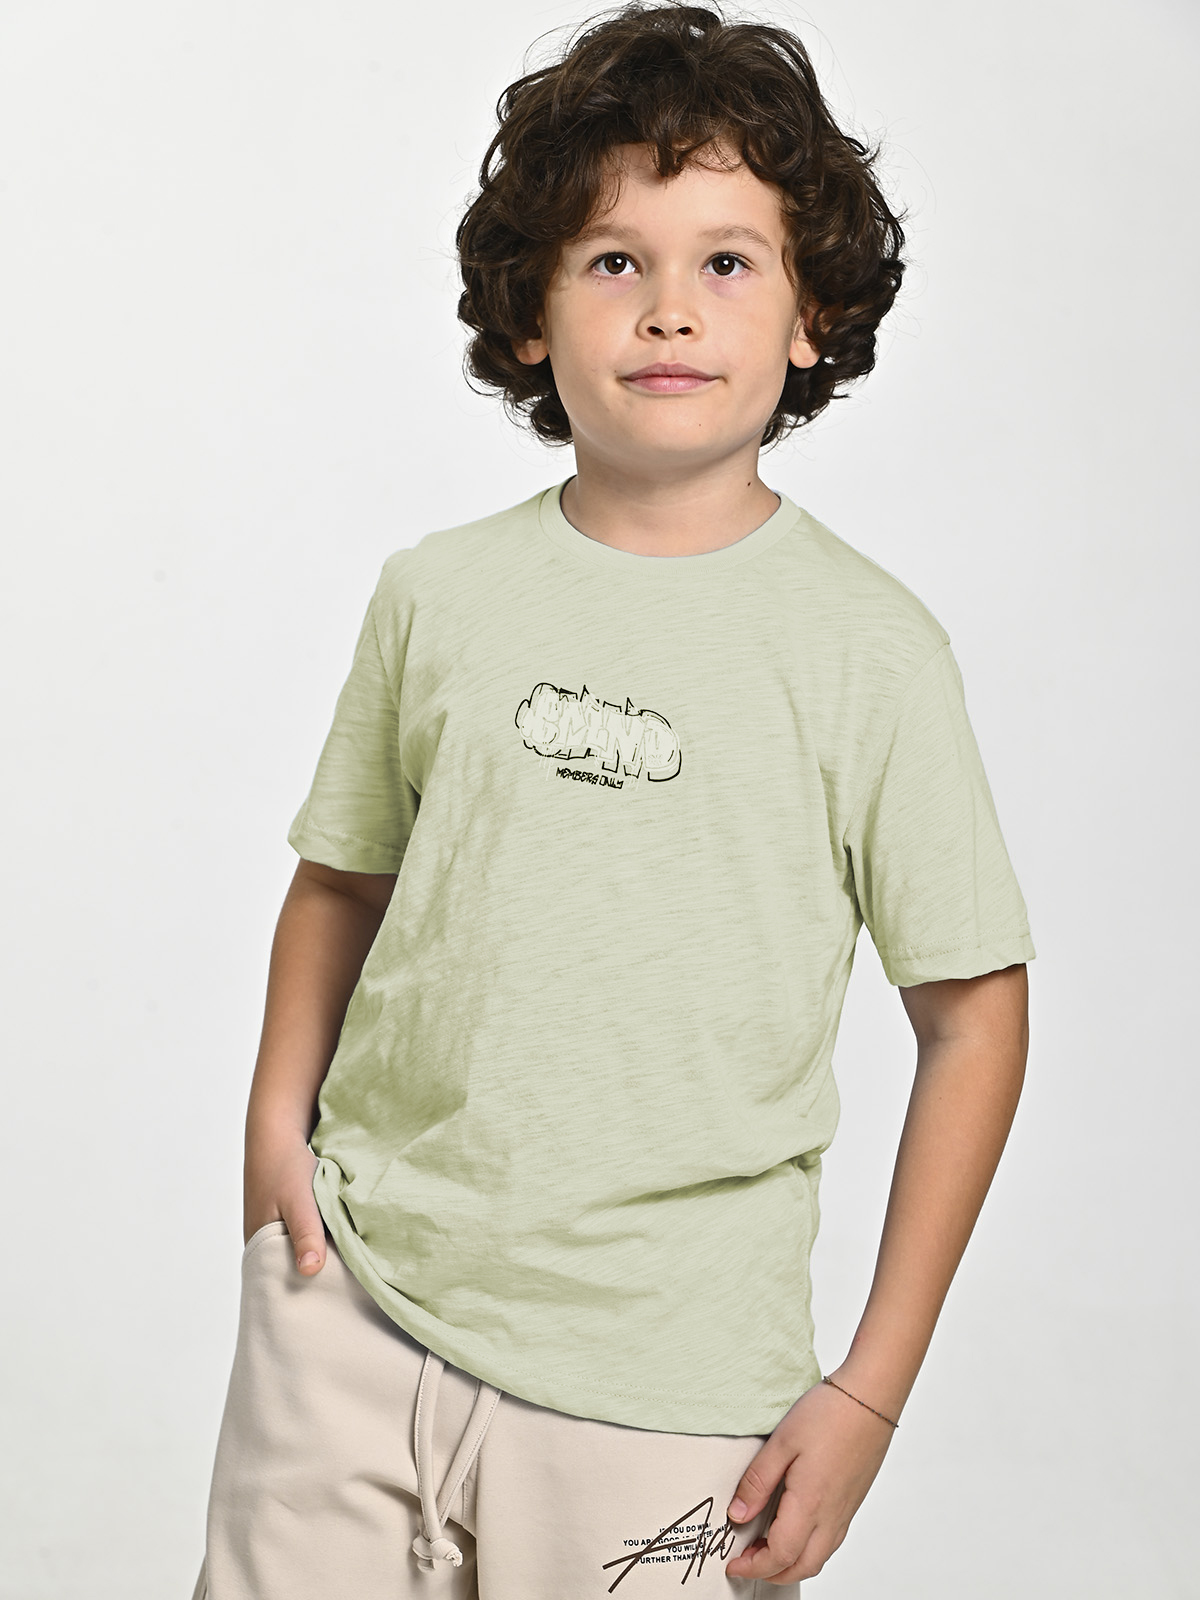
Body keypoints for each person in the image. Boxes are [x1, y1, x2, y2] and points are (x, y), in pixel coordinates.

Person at [190, 3, 1035, 1594]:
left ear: (812, 313)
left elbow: (974, 1016)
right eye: (611, 260)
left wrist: (869, 1389)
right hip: (350, 1311)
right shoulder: (438, 594)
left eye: (728, 262)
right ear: (530, 314)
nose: (669, 309)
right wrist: (268, 1154)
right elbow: (343, 883)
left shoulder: (873, 651)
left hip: (668, 1393)